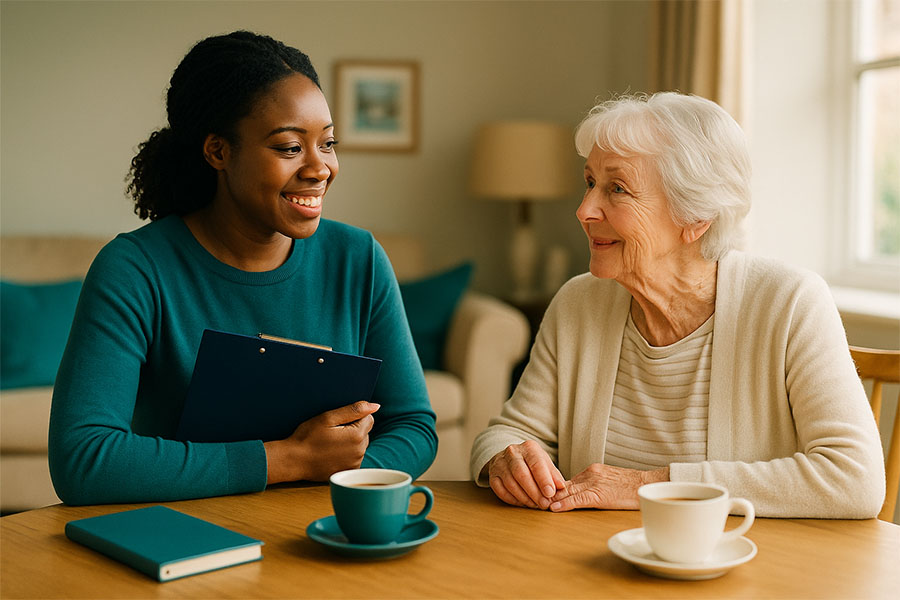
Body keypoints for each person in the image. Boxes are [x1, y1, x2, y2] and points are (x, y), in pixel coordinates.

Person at [48, 31, 437, 505]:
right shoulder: (134, 269)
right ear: (218, 151)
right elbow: (84, 460)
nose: (320, 168)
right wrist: (289, 460)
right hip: (178, 540)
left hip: (317, 535)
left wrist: (340, 480)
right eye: (290, 147)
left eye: (328, 143)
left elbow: (413, 426)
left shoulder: (359, 259)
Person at [470, 92, 885, 519]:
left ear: (695, 217)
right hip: (593, 567)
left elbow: (855, 479)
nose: (584, 210)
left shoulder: (790, 303)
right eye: (590, 182)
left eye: (617, 188)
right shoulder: (578, 303)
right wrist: (505, 459)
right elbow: (509, 432)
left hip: (742, 568)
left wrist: (647, 485)